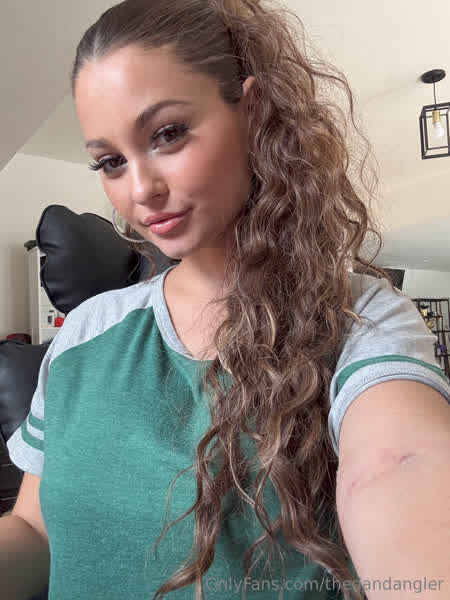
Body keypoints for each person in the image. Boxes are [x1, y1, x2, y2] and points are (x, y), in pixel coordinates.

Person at [6, 0, 450, 598]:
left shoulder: (362, 323)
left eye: (167, 134)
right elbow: (36, 532)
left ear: (254, 113)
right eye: (110, 162)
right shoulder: (86, 332)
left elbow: (397, 466)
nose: (141, 189)